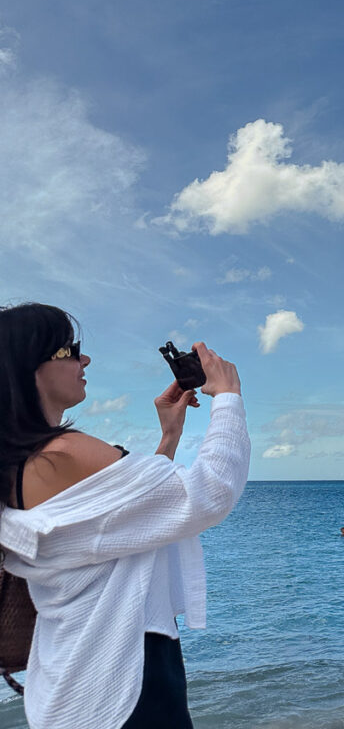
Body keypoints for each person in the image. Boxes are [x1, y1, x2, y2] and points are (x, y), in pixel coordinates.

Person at [0, 303, 250, 729]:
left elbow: (121, 522)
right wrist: (228, 396)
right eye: (69, 350)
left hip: (72, 684)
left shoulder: (18, 465)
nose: (84, 359)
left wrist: (169, 437)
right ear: (31, 366)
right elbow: (210, 493)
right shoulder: (63, 454)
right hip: (124, 687)